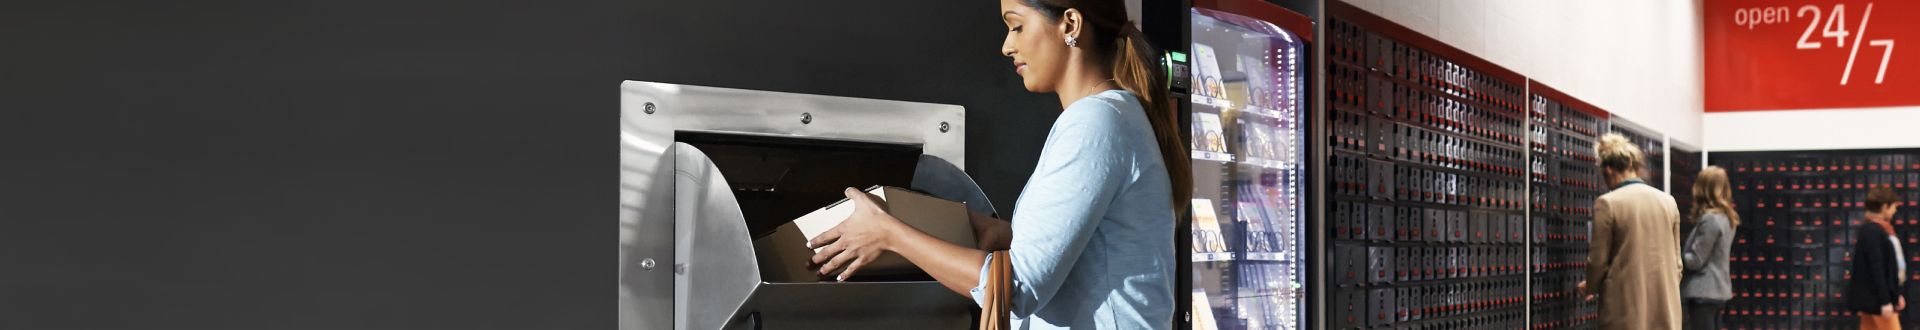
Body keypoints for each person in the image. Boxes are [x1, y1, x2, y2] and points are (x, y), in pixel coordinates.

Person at [803, 0, 1188, 329]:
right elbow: (1095, 250)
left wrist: (889, 234)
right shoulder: (1117, 115)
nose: (1007, 46)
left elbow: (1017, 288)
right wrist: (1003, 234)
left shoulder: (1096, 122)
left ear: (1070, 24)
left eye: (1017, 27)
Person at [1578, 133, 1683, 330]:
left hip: (1625, 308)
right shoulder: (1668, 202)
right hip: (1664, 308)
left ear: (1609, 171)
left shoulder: (1608, 203)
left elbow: (1598, 260)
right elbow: (1677, 264)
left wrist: (1591, 286)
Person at [1680, 166, 1738, 330]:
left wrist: (1675, 256)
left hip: (1703, 293)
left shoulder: (1710, 219)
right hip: (1717, 292)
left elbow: (1696, 260)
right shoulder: (1727, 218)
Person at [1847, 187, 1907, 330]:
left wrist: (1895, 295)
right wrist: (1886, 301)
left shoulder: (1871, 229)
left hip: (1872, 300)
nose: (1895, 211)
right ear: (1884, 207)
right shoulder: (1873, 231)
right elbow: (1877, 268)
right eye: (1893, 207)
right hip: (1878, 302)